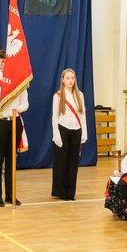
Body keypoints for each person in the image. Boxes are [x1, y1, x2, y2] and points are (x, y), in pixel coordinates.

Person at [0, 49, 28, 207]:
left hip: (14, 122)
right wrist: (4, 104)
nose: (1, 65)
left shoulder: (19, 82)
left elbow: (25, 104)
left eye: (4, 61)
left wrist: (15, 107)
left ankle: (10, 194)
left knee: (11, 161)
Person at [51, 68, 87, 201]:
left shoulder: (80, 95)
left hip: (76, 130)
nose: (70, 80)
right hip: (62, 130)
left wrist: (84, 132)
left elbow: (83, 115)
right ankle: (60, 191)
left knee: (73, 162)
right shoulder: (58, 96)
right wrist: (56, 135)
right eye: (68, 78)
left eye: (72, 78)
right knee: (61, 162)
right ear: (63, 80)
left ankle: (71, 192)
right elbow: (54, 117)